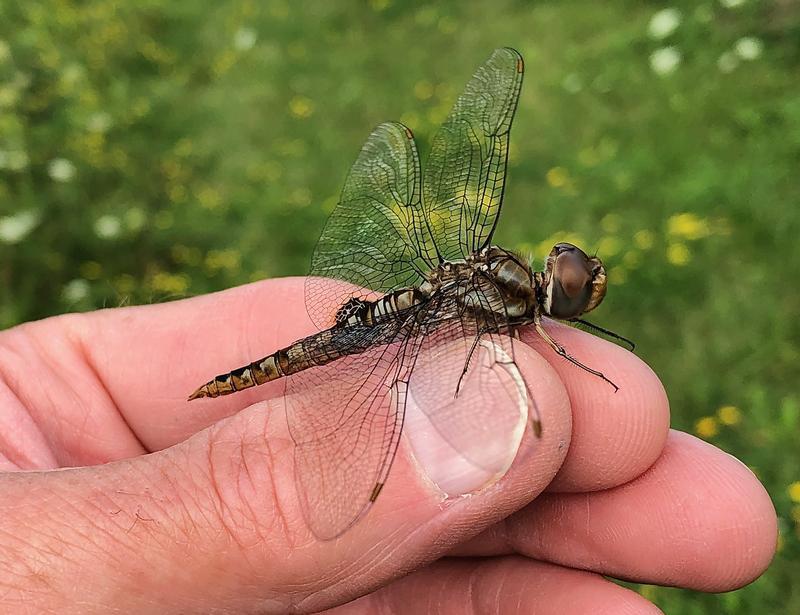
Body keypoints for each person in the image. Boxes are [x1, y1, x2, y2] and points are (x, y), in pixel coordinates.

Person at [0, 277, 776, 613]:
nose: (569, 289)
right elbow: (549, 354)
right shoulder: (509, 310)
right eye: (572, 289)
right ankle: (235, 383)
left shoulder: (506, 298)